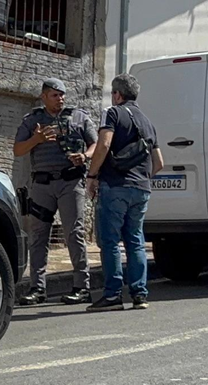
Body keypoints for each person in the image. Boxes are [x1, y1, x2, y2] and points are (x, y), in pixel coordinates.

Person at [12, 78, 97, 304]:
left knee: (74, 234)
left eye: (62, 95)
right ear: (44, 97)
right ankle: (37, 288)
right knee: (38, 236)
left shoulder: (79, 117)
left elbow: (96, 144)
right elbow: (18, 150)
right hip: (42, 185)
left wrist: (85, 156)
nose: (60, 99)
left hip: (71, 183)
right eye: (55, 95)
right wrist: (37, 139)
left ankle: (81, 286)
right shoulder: (32, 120)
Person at [85, 73, 163, 311]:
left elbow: (104, 144)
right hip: (141, 189)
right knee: (136, 241)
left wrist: (92, 175)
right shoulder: (147, 122)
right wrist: (142, 178)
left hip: (115, 186)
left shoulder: (112, 113)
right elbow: (159, 162)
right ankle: (140, 294)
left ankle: (112, 295)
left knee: (110, 242)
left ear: (117, 94)